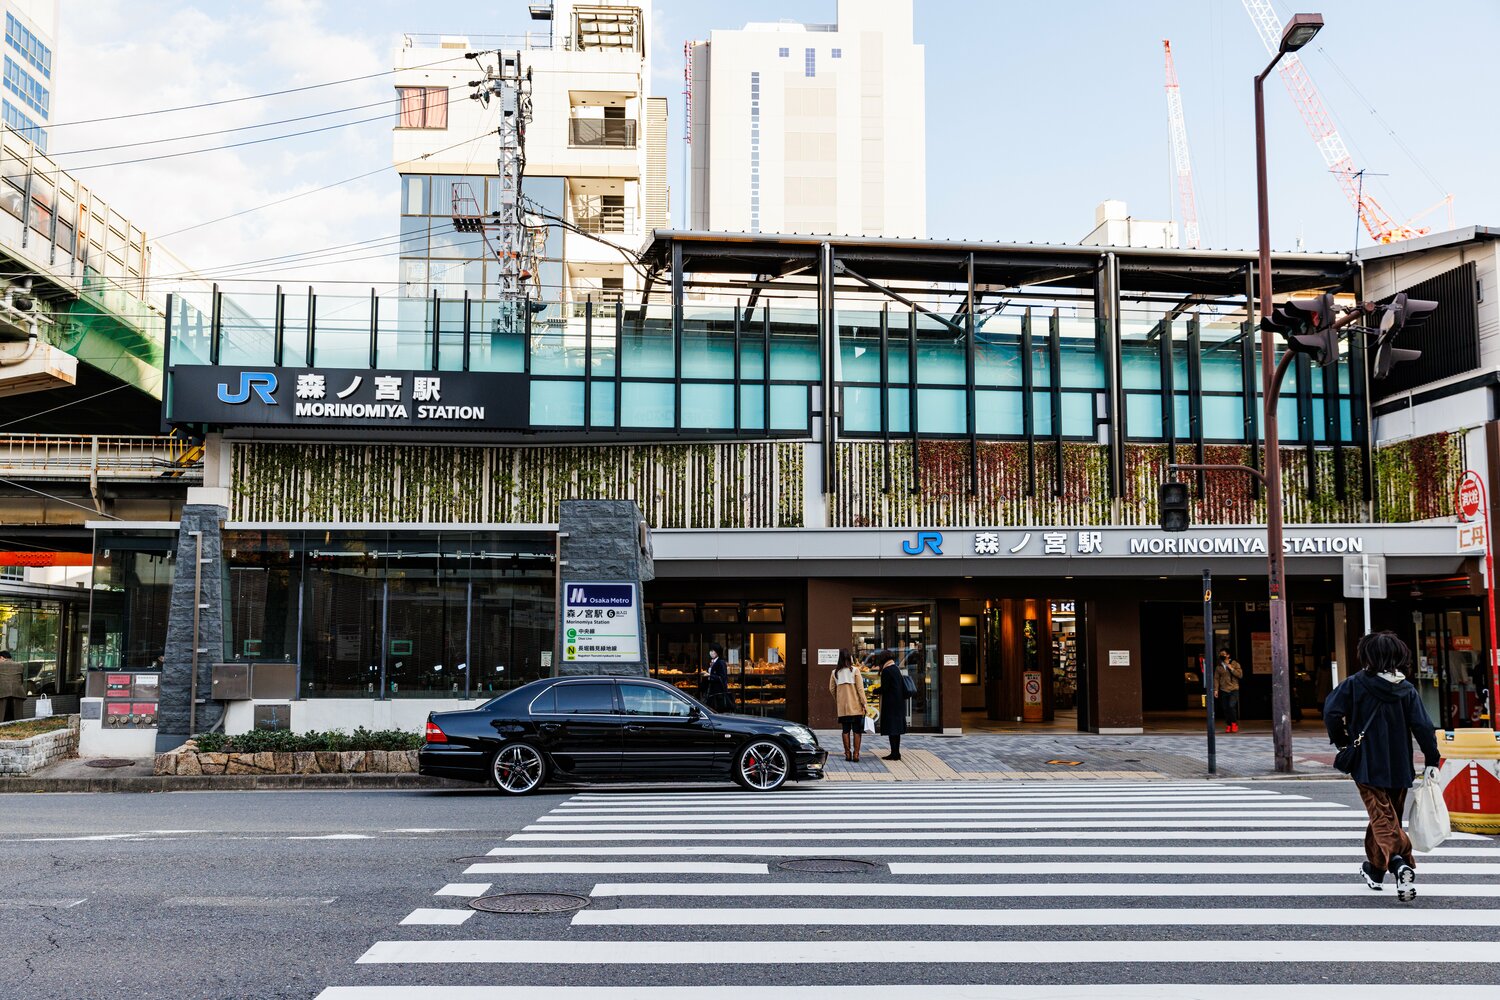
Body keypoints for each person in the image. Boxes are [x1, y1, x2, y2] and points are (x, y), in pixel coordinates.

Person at [1324, 630, 1441, 902]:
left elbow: (1331, 712)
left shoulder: (1355, 684)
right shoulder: (1406, 689)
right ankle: (1375, 871)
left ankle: (1399, 864)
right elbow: (1423, 727)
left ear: (1368, 656)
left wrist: (1342, 741)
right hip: (1400, 765)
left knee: (1381, 818)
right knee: (1388, 818)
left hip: (1367, 764)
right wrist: (1432, 759)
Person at [829, 649, 868, 762]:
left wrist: (838, 699)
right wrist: (864, 703)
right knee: (857, 730)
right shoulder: (855, 671)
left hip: (843, 708)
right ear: (850, 658)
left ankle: (847, 753)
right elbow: (860, 689)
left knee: (845, 730)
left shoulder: (835, 673)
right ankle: (856, 754)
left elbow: (831, 689)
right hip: (856, 706)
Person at [877, 650, 909, 761]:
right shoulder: (895, 668)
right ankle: (896, 752)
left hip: (890, 703)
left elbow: (885, 688)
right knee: (896, 730)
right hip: (898, 702)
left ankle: (894, 753)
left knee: (891, 729)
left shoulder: (887, 670)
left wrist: (874, 690)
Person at [1213, 648, 1244, 733]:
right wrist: (1216, 690)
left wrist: (1232, 669)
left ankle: (1234, 724)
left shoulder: (1235, 664)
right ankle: (1229, 725)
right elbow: (1216, 678)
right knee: (1225, 708)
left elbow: (1240, 675)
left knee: (1231, 706)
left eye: (1223, 654)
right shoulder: (1219, 666)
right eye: (1220, 654)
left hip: (1233, 689)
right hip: (1223, 689)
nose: (1221, 655)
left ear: (1228, 655)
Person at [702, 642, 731, 713]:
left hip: (718, 692)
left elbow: (722, 677)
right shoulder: (712, 662)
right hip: (711, 691)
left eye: (713, 651)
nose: (711, 653)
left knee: (716, 710)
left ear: (717, 651)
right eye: (710, 651)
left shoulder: (720, 662)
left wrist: (709, 675)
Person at [0, 650, 21, 723]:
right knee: (16, 718)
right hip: (18, 693)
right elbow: (21, 680)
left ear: (2, 658)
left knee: (2, 717)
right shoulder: (20, 665)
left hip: (3, 694)